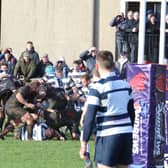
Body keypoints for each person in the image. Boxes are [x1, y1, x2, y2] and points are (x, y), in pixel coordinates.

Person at [80, 50, 135, 168]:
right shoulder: (126, 85)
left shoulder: (97, 87)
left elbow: (89, 118)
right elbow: (132, 113)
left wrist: (84, 142)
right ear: (114, 65)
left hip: (108, 135)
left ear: (97, 66)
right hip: (126, 133)